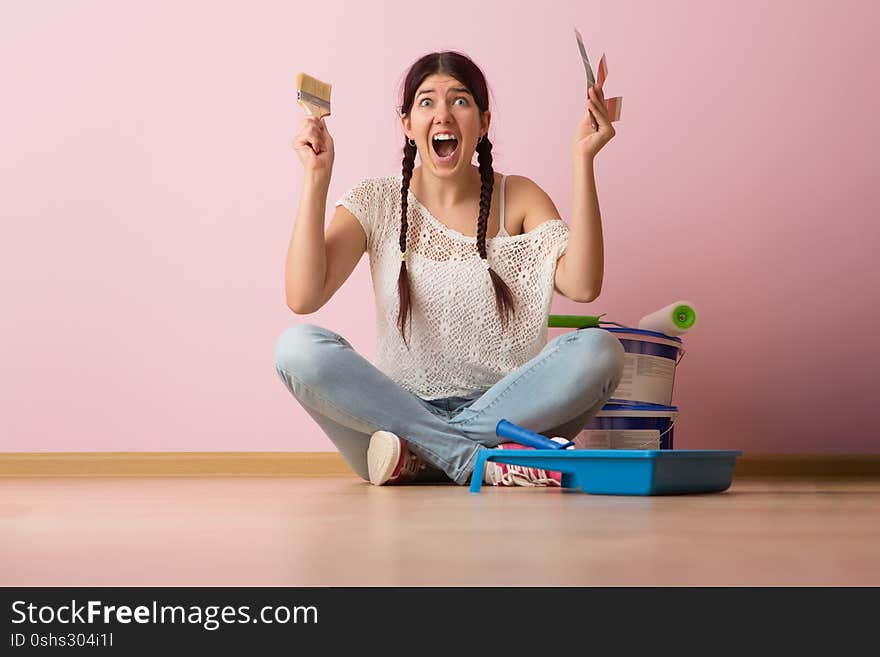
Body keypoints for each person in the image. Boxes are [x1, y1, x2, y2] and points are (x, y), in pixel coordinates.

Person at [275, 51, 625, 487]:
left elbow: (584, 284)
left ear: (483, 122)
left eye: (460, 101)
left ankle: (427, 457)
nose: (443, 113)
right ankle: (475, 461)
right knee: (297, 349)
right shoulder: (377, 200)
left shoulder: (517, 197)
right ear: (406, 124)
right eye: (426, 102)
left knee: (600, 351)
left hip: (494, 416)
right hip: (392, 414)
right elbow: (303, 297)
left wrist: (583, 161)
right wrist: (316, 178)